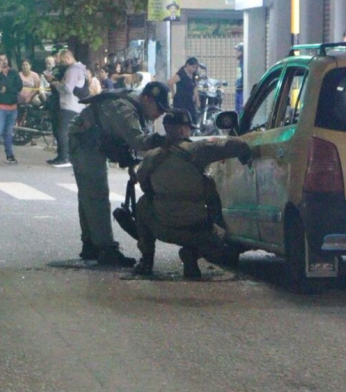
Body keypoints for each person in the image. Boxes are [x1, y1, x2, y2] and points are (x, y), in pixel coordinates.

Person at [133, 109, 253, 278]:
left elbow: (145, 186)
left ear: (166, 128)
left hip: (163, 227)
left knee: (143, 204)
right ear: (183, 129)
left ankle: (146, 260)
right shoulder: (200, 149)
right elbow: (233, 144)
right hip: (197, 229)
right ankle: (192, 255)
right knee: (219, 231)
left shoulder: (151, 157)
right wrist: (245, 154)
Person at [68, 82, 170, 266]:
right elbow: (137, 141)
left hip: (94, 141)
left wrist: (131, 165)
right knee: (96, 193)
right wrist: (163, 140)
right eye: (159, 108)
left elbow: (124, 141)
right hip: (85, 143)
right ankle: (107, 249)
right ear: (146, 99)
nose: (160, 114)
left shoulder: (138, 106)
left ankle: (91, 244)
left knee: (88, 195)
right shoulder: (124, 110)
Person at [50, 50, 87, 168]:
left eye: (62, 61)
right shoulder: (81, 69)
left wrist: (56, 83)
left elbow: (67, 88)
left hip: (70, 104)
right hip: (74, 104)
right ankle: (61, 155)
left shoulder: (73, 70)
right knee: (62, 130)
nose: (61, 63)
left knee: (62, 131)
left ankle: (65, 157)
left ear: (68, 58)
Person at [0, 52, 23, 164]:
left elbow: (19, 86)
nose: (3, 62)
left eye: (5, 59)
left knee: (9, 132)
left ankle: (10, 155)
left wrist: (6, 88)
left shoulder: (13, 73)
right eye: (1, 60)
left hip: (12, 106)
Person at [168, 57, 200, 124]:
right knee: (182, 120)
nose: (194, 69)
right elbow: (170, 82)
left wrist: (197, 100)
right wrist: (173, 93)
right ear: (187, 65)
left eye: (195, 68)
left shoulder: (195, 75)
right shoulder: (181, 74)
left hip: (190, 101)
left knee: (193, 119)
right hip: (181, 101)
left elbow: (195, 87)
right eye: (193, 67)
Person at [234, 43, 244, 113]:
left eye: (239, 51)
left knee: (241, 111)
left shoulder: (245, 63)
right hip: (238, 89)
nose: (237, 53)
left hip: (242, 90)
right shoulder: (240, 63)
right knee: (237, 111)